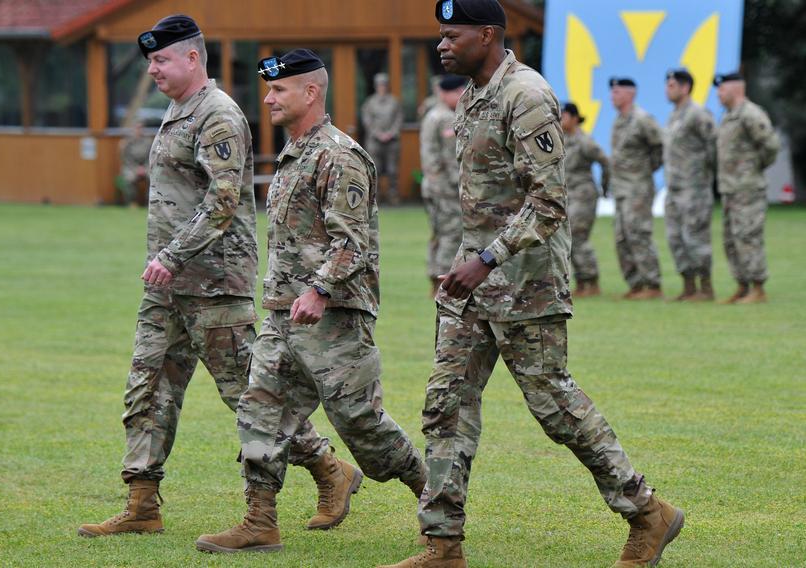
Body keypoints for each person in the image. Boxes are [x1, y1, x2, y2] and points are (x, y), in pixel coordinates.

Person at [379, 2, 684, 567]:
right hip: (472, 283)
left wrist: (488, 258)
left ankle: (648, 512)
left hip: (525, 283)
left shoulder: (526, 94)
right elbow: (482, 198)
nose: (441, 45)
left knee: (554, 407)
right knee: (446, 405)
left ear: (488, 34)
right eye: (439, 36)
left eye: (453, 35)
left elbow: (548, 203)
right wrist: (466, 262)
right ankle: (443, 545)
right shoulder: (472, 95)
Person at [77, 16, 353, 538]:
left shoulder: (218, 114)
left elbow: (224, 199)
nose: (153, 69)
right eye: (150, 61)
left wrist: (174, 256)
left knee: (248, 395)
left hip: (213, 283)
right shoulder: (177, 111)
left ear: (192, 59)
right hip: (167, 285)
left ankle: (329, 470)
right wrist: (167, 265)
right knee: (147, 386)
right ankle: (141, 504)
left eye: (161, 60)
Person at [194, 49, 426, 555]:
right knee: (260, 411)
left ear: (311, 92)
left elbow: (353, 243)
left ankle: (436, 498)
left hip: (334, 318)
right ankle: (259, 523)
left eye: (279, 90)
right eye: (269, 90)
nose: (269, 98)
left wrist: (320, 290)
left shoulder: (338, 155)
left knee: (364, 429)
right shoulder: (294, 153)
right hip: (284, 314)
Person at [713, 72, 779, 304]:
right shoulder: (729, 116)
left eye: (722, 89)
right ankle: (742, 286)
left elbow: (770, 145)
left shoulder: (750, 114)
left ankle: (758, 288)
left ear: (736, 88)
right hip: (730, 189)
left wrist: (754, 168)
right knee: (731, 239)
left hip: (748, 188)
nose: (718, 93)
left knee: (748, 236)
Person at [664, 69, 717, 301]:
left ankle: (705, 288)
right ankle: (688, 286)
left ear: (686, 87)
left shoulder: (698, 114)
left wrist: (707, 176)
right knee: (676, 238)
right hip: (675, 188)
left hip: (694, 189)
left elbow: (714, 146)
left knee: (695, 238)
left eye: (673, 84)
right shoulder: (675, 115)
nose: (668, 88)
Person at [610, 76, 665, 300]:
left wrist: (647, 169)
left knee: (639, 234)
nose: (612, 96)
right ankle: (636, 283)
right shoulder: (619, 121)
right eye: (612, 92)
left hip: (638, 187)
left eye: (617, 92)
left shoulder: (642, 119)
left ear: (630, 94)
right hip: (622, 188)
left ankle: (652, 284)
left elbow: (660, 146)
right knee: (622, 236)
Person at [420, 75, 467, 296]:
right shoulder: (446, 118)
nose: (461, 97)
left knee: (438, 233)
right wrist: (460, 185)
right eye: (458, 93)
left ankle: (433, 277)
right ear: (448, 93)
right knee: (451, 232)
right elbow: (450, 158)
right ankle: (442, 280)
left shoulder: (432, 115)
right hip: (445, 188)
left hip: (431, 185)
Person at [561, 102, 610, 297]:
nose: (561, 118)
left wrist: (605, 187)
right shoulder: (561, 140)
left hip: (584, 195)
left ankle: (592, 280)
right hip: (568, 195)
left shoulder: (585, 141)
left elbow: (605, 162)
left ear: (574, 118)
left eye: (565, 115)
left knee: (578, 235)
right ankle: (581, 282)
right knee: (569, 238)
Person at [361, 72, 403, 204]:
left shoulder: (394, 102)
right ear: (375, 86)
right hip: (375, 141)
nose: (382, 87)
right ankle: (375, 196)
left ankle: (393, 196)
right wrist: (378, 133)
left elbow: (398, 119)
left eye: (384, 85)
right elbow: (367, 120)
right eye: (379, 85)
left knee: (392, 170)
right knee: (375, 169)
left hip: (392, 141)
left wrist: (391, 133)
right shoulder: (370, 102)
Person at [117, 121, 153, 206]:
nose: (138, 130)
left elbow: (151, 156)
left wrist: (144, 167)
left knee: (153, 177)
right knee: (129, 178)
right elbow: (125, 159)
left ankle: (149, 202)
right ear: (132, 129)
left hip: (146, 166)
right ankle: (132, 203)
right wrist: (135, 168)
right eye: (136, 128)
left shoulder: (148, 141)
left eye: (140, 128)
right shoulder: (126, 142)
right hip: (130, 167)